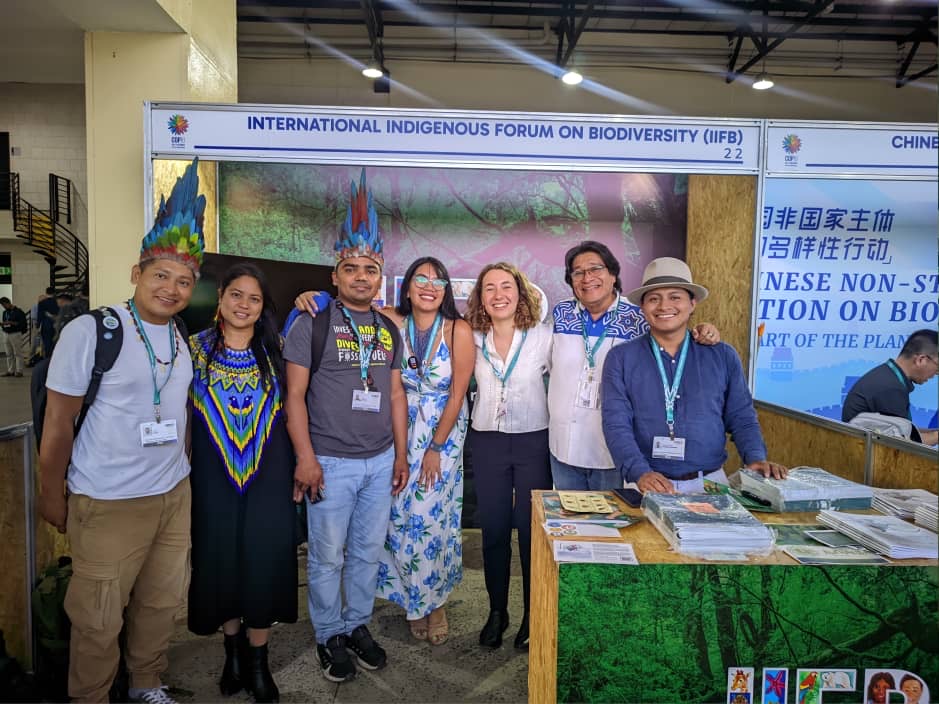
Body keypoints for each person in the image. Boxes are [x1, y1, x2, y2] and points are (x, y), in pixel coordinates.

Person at [38, 158, 205, 704]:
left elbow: (176, 416)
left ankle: (146, 684)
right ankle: (89, 696)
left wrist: (180, 481)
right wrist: (51, 496)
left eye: (184, 281)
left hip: (170, 496)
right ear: (136, 273)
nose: (172, 288)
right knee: (98, 616)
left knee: (160, 603)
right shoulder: (93, 330)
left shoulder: (181, 339)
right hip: (106, 499)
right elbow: (59, 423)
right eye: (161, 275)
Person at [283, 170, 408, 683]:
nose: (361, 276)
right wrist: (306, 459)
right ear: (334, 275)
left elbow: (396, 393)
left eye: (371, 269)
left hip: (380, 462)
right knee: (327, 557)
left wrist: (400, 455)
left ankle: (357, 624)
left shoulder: (387, 328)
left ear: (381, 276)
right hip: (329, 462)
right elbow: (293, 396)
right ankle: (328, 635)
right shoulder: (310, 321)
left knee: (365, 553)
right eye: (351, 268)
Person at [188, 262, 296, 702]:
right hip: (212, 476)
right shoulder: (192, 350)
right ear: (221, 298)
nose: (244, 305)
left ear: (262, 306)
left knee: (263, 562)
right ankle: (231, 654)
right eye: (236, 294)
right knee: (220, 561)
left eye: (253, 298)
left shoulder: (279, 351)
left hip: (269, 475)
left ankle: (258, 663)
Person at [601, 257, 786, 494]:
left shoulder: (722, 355)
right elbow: (616, 423)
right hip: (645, 485)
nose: (664, 306)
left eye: (675, 297)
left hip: (710, 484)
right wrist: (639, 472)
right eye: (654, 299)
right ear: (643, 307)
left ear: (692, 303)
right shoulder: (621, 358)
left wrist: (755, 457)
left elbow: (741, 415)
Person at [548, 241, 721, 490]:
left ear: (613, 274)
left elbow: (674, 340)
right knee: (570, 520)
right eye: (578, 272)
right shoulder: (562, 313)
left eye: (596, 269)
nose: (587, 278)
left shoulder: (640, 317)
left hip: (613, 450)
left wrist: (704, 332)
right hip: (563, 446)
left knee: (612, 523)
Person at [465, 262, 553, 651]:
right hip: (487, 441)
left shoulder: (543, 336)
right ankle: (496, 612)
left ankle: (534, 616)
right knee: (495, 530)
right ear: (480, 297)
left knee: (531, 532)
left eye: (506, 286)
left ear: (521, 293)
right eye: (489, 288)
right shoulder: (469, 335)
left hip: (534, 439)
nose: (498, 294)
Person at [842, 329, 938, 445]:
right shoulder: (890, 389)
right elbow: (905, 444)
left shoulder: (888, 377)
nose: (936, 374)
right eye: (937, 368)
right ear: (921, 360)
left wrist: (934, 432)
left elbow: (904, 430)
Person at [1, 296, 28, 377]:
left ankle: (19, 371)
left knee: (17, 353)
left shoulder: (19, 312)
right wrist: (3, 325)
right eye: (2, 306)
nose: (4, 307)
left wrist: (12, 323)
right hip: (6, 333)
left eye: (4, 305)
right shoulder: (5, 312)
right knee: (9, 354)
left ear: (8, 303)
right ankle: (10, 371)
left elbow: (23, 324)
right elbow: (5, 322)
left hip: (15, 334)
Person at [37, 286, 60, 357]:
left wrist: (38, 325)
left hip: (46, 324)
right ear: (54, 293)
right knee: (56, 343)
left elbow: (39, 315)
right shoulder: (57, 302)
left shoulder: (42, 303)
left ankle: (48, 360)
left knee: (47, 343)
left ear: (46, 293)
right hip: (56, 324)